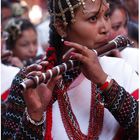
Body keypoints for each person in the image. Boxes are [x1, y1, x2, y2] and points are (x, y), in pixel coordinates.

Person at [2, 0, 138, 140]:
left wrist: (105, 82)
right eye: (93, 18)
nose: (106, 28)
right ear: (61, 27)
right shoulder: (30, 80)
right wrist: (34, 115)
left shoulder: (122, 69)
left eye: (107, 15)